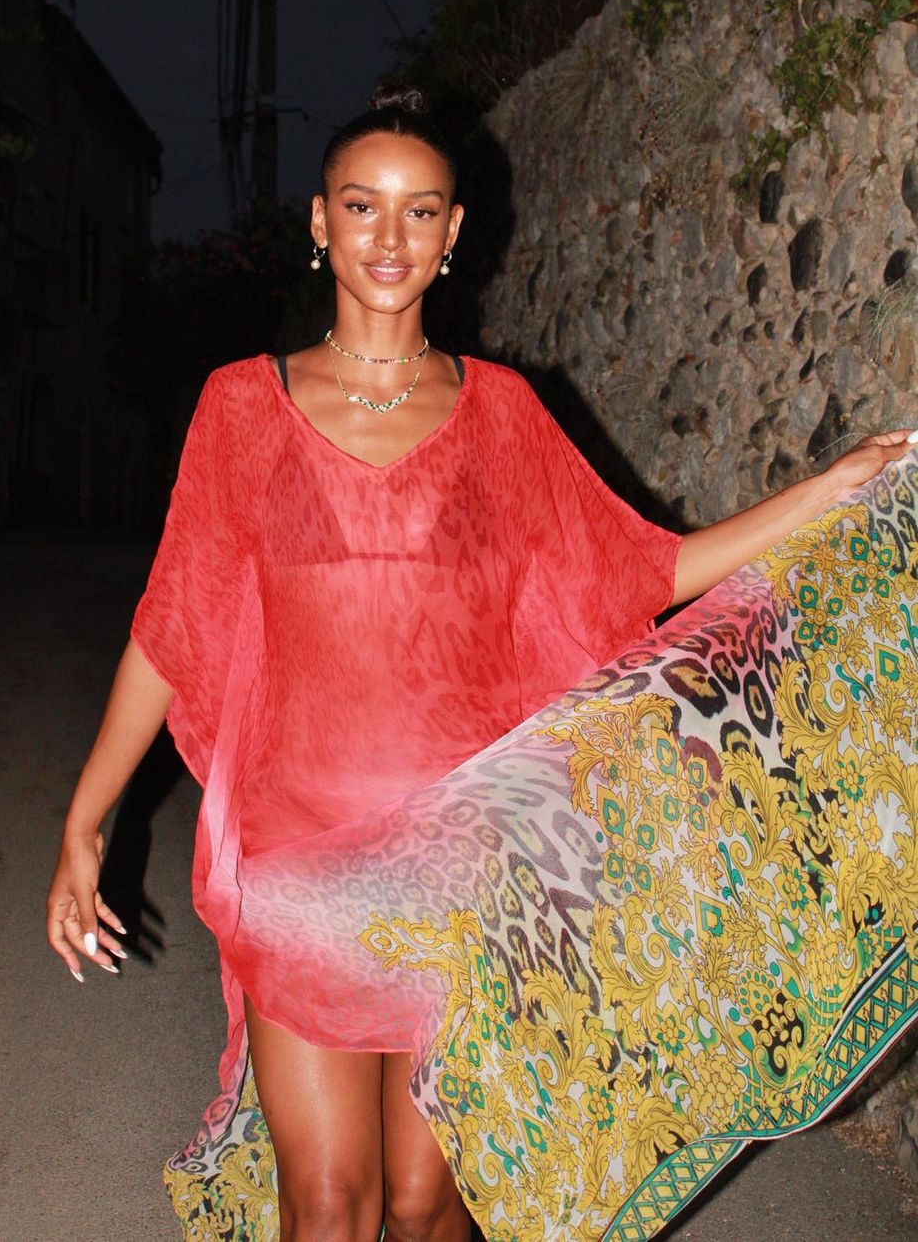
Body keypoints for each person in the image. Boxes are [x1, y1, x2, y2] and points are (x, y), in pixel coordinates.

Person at [46, 86, 917, 1242]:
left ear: (453, 232)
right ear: (320, 221)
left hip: (468, 871)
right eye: (362, 205)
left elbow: (644, 569)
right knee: (329, 1203)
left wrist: (825, 491)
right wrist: (86, 819)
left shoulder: (503, 414)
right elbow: (173, 626)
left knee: (427, 1204)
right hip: (298, 861)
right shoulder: (241, 407)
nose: (388, 236)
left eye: (420, 210)